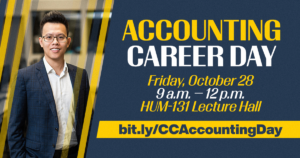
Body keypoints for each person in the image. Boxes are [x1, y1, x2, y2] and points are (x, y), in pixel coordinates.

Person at [8, 11, 89, 158]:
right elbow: (15, 128)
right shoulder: (24, 77)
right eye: (49, 37)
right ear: (41, 41)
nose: (55, 42)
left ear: (68, 41)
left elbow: (88, 119)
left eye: (60, 37)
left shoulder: (81, 76)